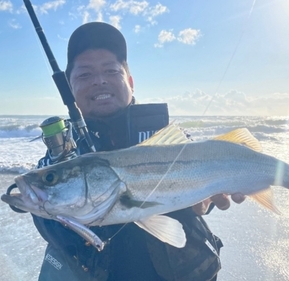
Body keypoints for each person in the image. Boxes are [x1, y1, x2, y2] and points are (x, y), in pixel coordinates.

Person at [32, 22, 246, 281]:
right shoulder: (61, 154)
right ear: (71, 90)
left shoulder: (167, 136)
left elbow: (201, 187)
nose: (99, 80)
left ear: (130, 82)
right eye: (85, 75)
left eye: (111, 70)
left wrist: (204, 202)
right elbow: (44, 217)